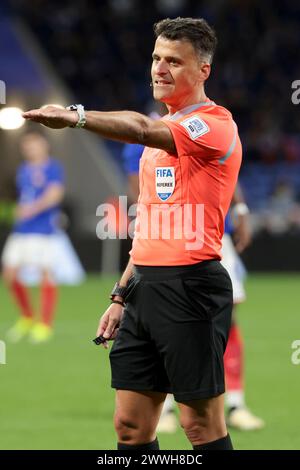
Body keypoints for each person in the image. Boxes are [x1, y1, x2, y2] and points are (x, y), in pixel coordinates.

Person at [23, 17, 242, 450]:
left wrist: (76, 117)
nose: (160, 68)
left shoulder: (214, 124)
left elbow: (142, 126)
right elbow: (149, 226)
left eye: (174, 61)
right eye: (157, 58)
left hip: (191, 285)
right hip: (145, 287)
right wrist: (122, 295)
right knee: (130, 426)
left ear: (203, 71)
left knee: (200, 426)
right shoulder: (154, 147)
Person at [123, 140, 264, 433]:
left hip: (214, 240)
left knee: (227, 322)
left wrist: (240, 210)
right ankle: (168, 407)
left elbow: (228, 169)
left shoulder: (207, 124)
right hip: (170, 243)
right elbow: (138, 187)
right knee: (170, 323)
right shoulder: (145, 138)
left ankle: (236, 403)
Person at [2, 131, 65, 343]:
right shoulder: (23, 170)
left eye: (33, 144)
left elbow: (55, 195)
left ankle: (45, 324)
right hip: (22, 229)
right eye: (26, 145)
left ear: (44, 145)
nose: (29, 148)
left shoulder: (52, 167)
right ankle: (27, 316)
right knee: (9, 273)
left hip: (43, 229)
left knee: (45, 273)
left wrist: (32, 209)